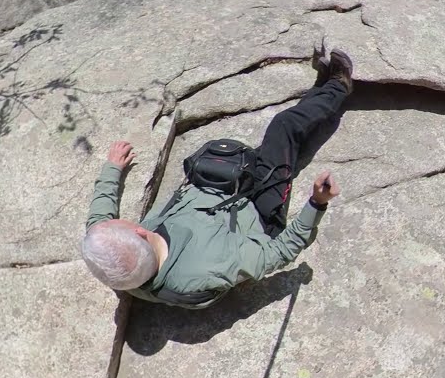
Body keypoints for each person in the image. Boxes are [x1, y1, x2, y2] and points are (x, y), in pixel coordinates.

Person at [80, 50, 354, 308]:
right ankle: (338, 86)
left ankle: (318, 93)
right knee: (284, 128)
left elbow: (98, 219)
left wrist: (112, 169)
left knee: (261, 147)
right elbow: (280, 251)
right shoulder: (212, 267)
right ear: (140, 232)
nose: (108, 222)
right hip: (256, 208)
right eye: (121, 224)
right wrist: (317, 203)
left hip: (209, 192)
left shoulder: (122, 267)